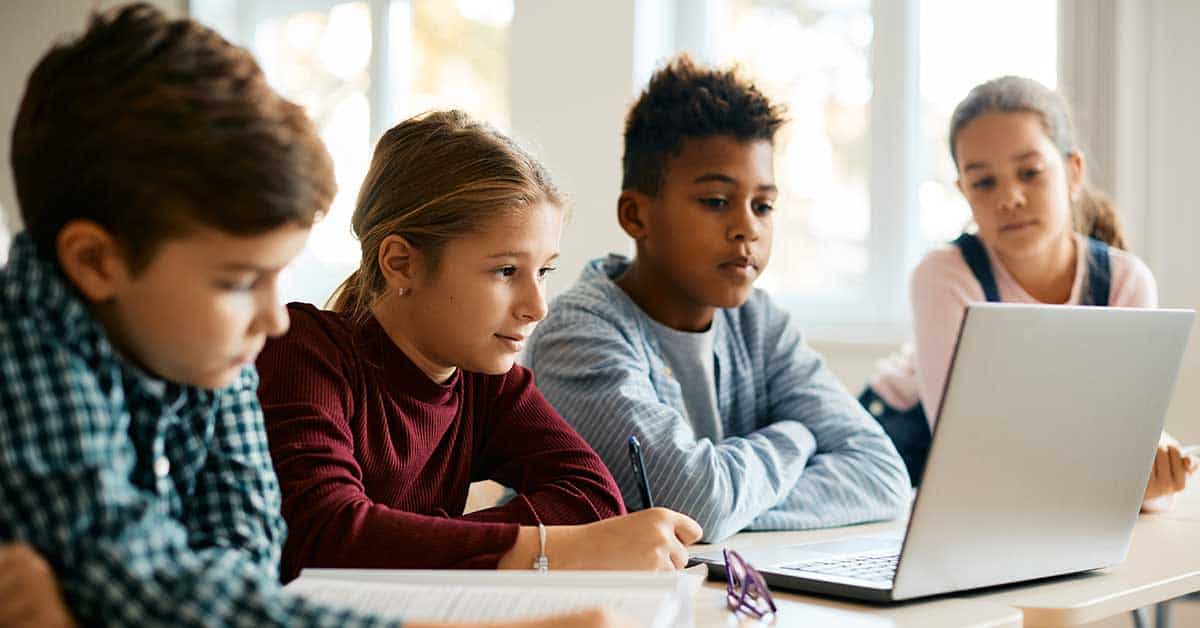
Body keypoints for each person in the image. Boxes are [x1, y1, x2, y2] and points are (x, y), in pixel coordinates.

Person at [0, 5, 628, 627]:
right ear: (95, 261)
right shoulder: (26, 356)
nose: (275, 318)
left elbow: (244, 563)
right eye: (239, 280)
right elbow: (146, 582)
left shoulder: (210, 352)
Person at [256, 110, 702, 581]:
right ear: (402, 264)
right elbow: (325, 535)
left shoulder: (485, 380)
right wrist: (551, 548)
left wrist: (412, 541)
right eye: (506, 271)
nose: (537, 307)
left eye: (544, 272)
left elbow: (591, 497)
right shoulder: (300, 350)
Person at [523, 55, 911, 543]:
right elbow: (695, 500)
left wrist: (731, 504)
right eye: (715, 201)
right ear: (635, 215)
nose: (747, 227)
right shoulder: (578, 333)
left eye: (763, 205)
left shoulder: (759, 324)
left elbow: (881, 475)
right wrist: (797, 436)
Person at [862, 76, 1194, 507]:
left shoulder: (1126, 281)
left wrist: (1150, 478)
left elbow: (1127, 428)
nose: (1009, 197)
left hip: (1035, 473)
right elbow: (967, 444)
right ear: (964, 191)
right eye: (984, 182)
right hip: (906, 444)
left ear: (1073, 173)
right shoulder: (942, 276)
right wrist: (1114, 469)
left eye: (1030, 173)